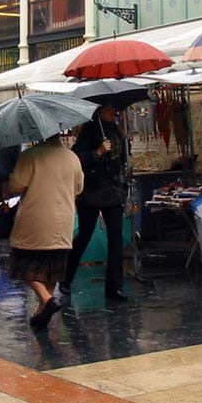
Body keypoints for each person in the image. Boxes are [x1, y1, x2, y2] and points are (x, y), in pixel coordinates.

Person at [7, 134, 84, 330]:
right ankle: (42, 312)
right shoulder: (72, 157)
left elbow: (16, 185)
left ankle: (47, 300)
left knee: (22, 265)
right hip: (63, 221)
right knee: (52, 269)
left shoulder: (30, 156)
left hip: (35, 219)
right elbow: (79, 188)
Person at [62, 105, 130, 302]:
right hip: (91, 193)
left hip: (113, 191)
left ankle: (114, 287)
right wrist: (98, 152)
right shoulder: (89, 131)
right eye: (109, 110)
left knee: (115, 238)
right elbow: (76, 159)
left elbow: (121, 160)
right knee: (84, 235)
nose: (113, 112)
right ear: (99, 111)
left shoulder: (117, 132)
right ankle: (65, 279)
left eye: (114, 109)